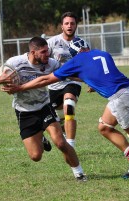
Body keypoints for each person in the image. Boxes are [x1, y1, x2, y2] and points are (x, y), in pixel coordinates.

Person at [2, 37, 129, 180]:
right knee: (104, 127)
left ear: (74, 54)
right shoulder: (103, 54)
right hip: (128, 91)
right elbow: (100, 74)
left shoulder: (76, 61)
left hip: (120, 98)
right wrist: (90, 81)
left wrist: (19, 88)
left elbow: (45, 79)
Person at [0, 36, 87, 181]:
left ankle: (79, 173)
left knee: (60, 142)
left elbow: (70, 75)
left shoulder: (51, 64)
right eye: (43, 52)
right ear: (33, 52)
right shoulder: (15, 63)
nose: (47, 54)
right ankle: (41, 138)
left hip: (44, 107)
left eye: (48, 51)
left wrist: (90, 79)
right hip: (24, 111)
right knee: (36, 156)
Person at [46, 11, 87, 148]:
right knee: (54, 118)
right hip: (53, 84)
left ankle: (71, 145)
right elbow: (42, 61)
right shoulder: (52, 42)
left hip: (73, 82)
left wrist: (92, 81)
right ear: (62, 26)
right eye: (66, 23)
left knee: (69, 106)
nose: (69, 26)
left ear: (76, 26)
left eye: (72, 23)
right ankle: (61, 131)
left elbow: (88, 65)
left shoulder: (82, 44)